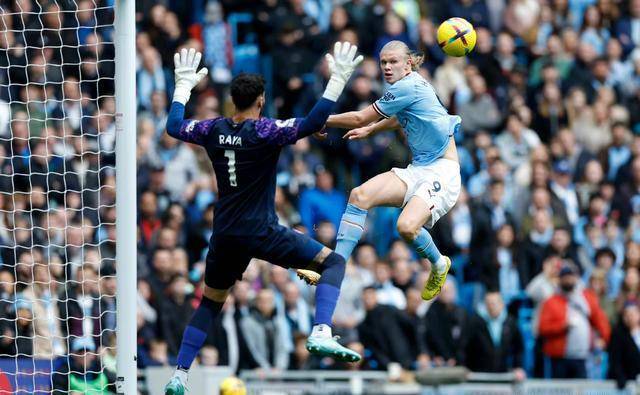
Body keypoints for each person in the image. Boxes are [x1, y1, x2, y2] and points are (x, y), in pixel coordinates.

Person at [163, 44, 363, 394]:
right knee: (332, 262)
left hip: (225, 235)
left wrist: (182, 87)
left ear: (232, 101)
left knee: (211, 302)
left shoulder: (212, 129)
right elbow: (314, 123)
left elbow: (174, 126)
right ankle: (320, 330)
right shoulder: (266, 131)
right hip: (261, 232)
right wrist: (338, 80)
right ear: (260, 101)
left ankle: (180, 374)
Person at [298, 40, 462, 301]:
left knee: (406, 227)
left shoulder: (409, 86)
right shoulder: (408, 87)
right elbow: (401, 117)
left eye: (393, 61)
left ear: (408, 63)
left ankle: (439, 263)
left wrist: (316, 121)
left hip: (443, 171)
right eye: (383, 62)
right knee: (359, 195)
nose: (387, 67)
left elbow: (360, 116)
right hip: (418, 168)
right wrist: (372, 130)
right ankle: (335, 266)